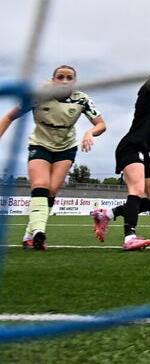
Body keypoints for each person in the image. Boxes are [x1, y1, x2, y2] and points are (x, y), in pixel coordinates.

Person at [0, 65, 106, 250]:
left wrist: (90, 132)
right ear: (54, 79)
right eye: (60, 77)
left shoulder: (81, 99)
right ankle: (39, 231)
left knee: (52, 190)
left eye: (69, 78)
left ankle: (29, 235)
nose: (64, 81)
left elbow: (101, 125)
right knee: (40, 184)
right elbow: (9, 117)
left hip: (66, 147)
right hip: (40, 144)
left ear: (74, 82)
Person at [91, 48, 150, 250]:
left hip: (147, 152)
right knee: (137, 190)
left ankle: (107, 214)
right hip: (131, 147)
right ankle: (129, 237)